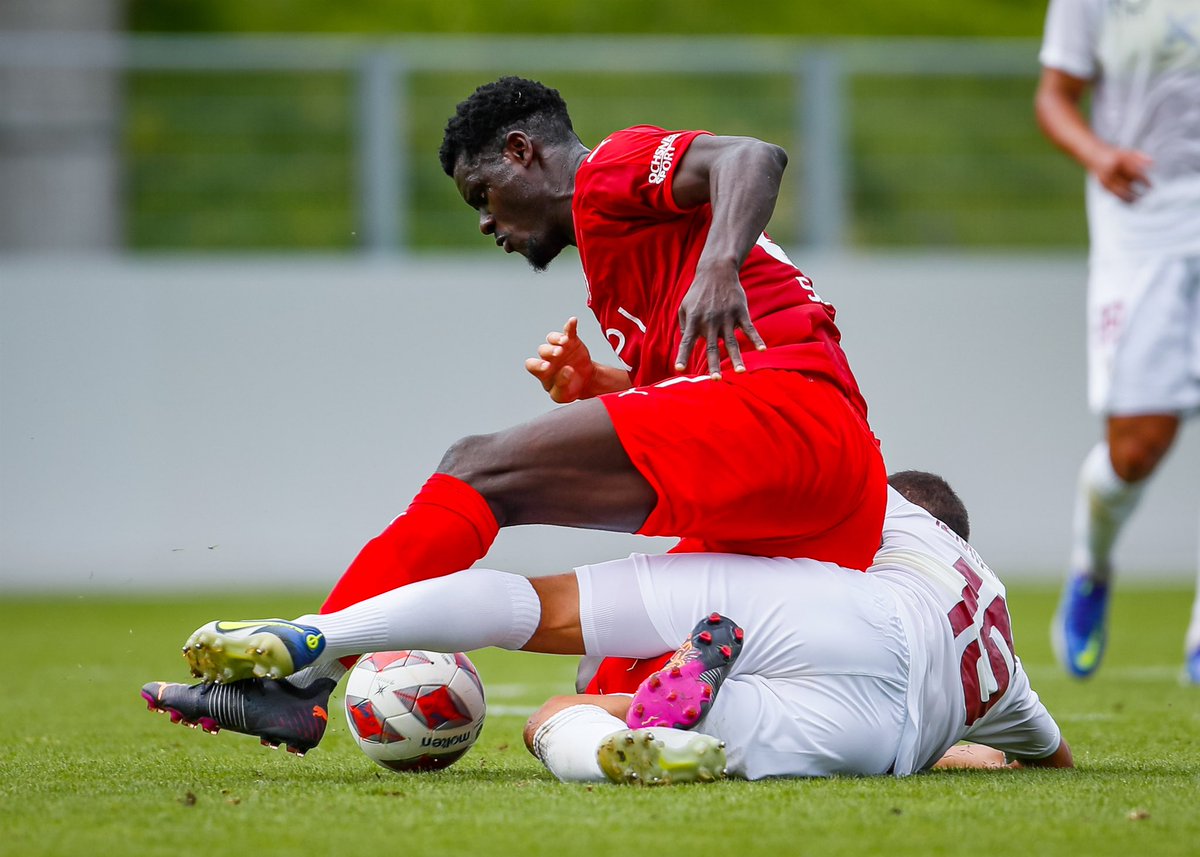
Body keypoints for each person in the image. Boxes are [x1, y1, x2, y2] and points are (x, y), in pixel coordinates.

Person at [138, 76, 887, 752]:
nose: (485, 223)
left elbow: (753, 155)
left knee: (477, 466)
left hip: (795, 418)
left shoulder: (609, 173)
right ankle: (822, 716)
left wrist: (723, 262)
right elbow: (703, 389)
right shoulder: (617, 261)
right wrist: (604, 381)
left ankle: (306, 680)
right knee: (611, 682)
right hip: (825, 504)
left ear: (523, 152)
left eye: (481, 195)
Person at [145, 472, 1071, 783]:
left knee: (532, 611)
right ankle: (633, 738)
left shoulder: (884, 512)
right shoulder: (1001, 644)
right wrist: (958, 745)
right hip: (887, 733)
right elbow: (1053, 757)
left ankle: (318, 636)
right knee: (576, 712)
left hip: (847, 616)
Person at [1035, 0, 1200, 680]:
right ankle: (1092, 564)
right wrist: (1097, 153)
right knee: (1137, 446)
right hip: (1143, 228)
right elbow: (1056, 95)